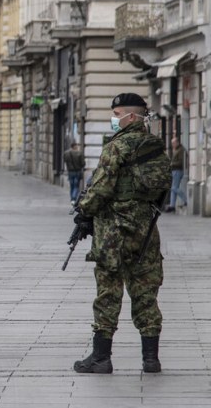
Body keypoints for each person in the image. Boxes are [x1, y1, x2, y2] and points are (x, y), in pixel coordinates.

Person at [72, 93, 171, 374]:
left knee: (108, 292)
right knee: (146, 292)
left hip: (114, 231)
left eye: (116, 114)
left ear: (130, 117)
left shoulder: (117, 146)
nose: (113, 119)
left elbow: (100, 188)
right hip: (146, 229)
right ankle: (151, 359)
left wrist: (84, 210)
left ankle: (101, 358)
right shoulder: (155, 146)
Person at [165, 137, 187, 212]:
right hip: (175, 170)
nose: (172, 145)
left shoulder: (181, 150)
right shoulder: (177, 149)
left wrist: (171, 164)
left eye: (173, 143)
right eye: (172, 143)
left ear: (177, 142)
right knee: (173, 188)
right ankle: (172, 205)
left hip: (178, 170)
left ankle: (185, 200)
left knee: (174, 188)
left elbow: (181, 162)